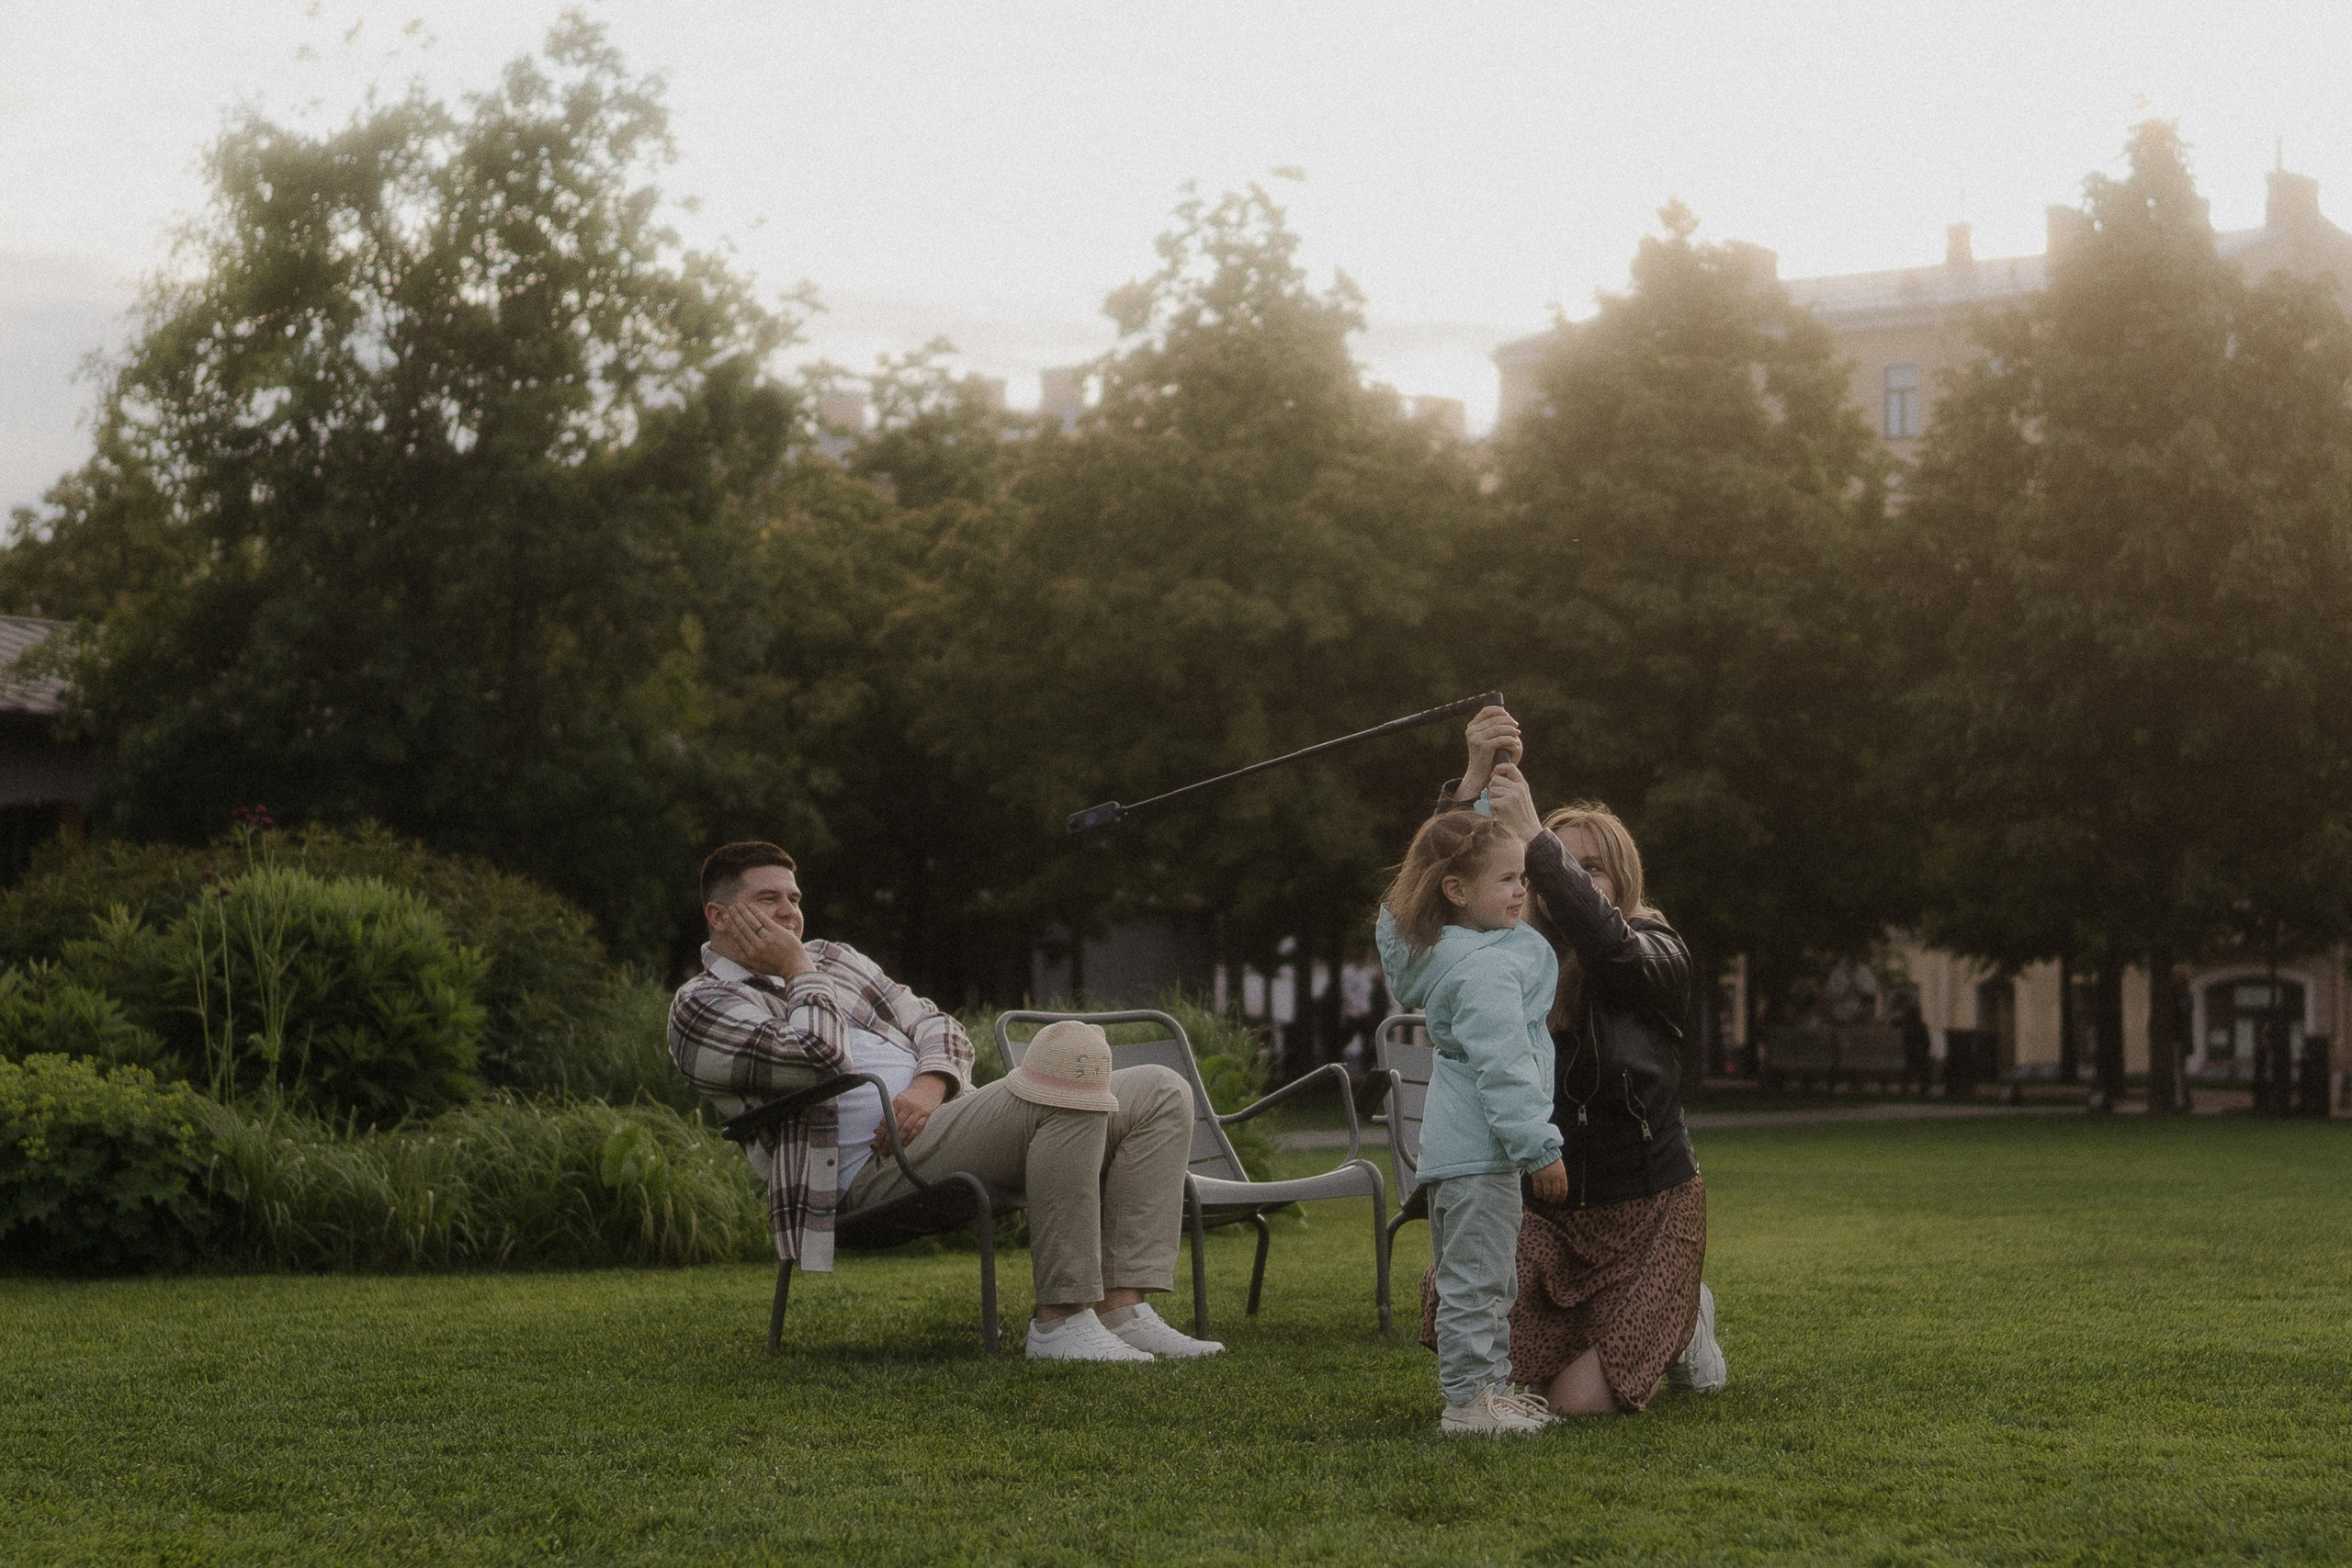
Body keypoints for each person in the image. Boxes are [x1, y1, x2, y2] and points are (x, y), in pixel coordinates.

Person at [668, 841, 1223, 1362]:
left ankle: (1122, 1310)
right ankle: (1060, 1322)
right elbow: (819, 1056)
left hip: (942, 1123)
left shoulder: (836, 958)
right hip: (862, 1172)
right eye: (768, 899)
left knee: (1158, 1089)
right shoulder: (702, 1005)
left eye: (794, 898)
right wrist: (798, 971)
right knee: (1067, 1066)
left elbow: (942, 1026)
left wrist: (929, 1084)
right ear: (719, 915)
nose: (789, 912)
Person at [1427, 707, 1727, 1415]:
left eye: (1591, 867)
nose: (1572, 877)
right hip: (1547, 1214)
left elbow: (1611, 950)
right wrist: (1470, 780)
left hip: (1647, 1213)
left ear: (1622, 879)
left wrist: (1536, 838)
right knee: (1463, 1313)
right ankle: (1616, 1327)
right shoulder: (1508, 955)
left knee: (1574, 1405)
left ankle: (1686, 1314)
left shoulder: (1656, 949)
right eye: (1559, 864)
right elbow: (1443, 884)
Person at [1376, 811, 1571, 1437]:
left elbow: (1460, 848)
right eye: (1506, 879)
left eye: (1523, 877)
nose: (1521, 890)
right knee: (1478, 1284)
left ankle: (1489, 1392)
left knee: (1484, 1278)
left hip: (1458, 1153)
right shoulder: (1485, 970)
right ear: (1456, 891)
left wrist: (1485, 782)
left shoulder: (1450, 952)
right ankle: (1468, 1404)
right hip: (1482, 1154)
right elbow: (1505, 1068)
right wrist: (1540, 1148)